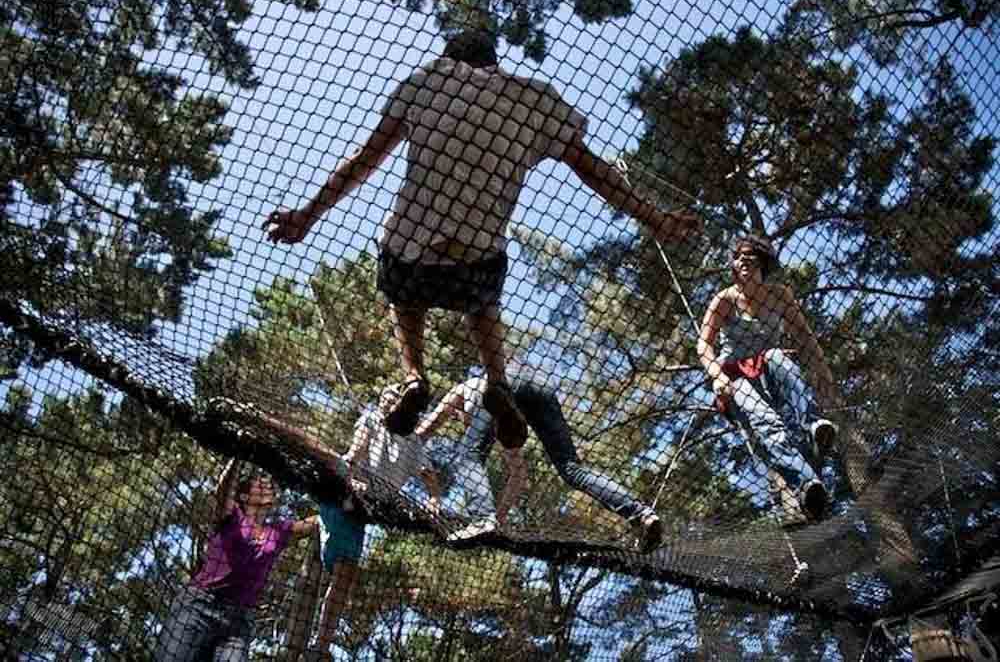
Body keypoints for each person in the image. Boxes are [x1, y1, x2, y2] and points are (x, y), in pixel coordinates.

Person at [263, 29, 701, 446]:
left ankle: (415, 375)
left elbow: (365, 159)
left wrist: (309, 215)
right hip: (477, 253)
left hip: (411, 245)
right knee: (483, 300)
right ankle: (497, 382)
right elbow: (593, 169)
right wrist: (653, 217)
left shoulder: (427, 81)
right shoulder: (535, 99)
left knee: (402, 293)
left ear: (449, 57)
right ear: (494, 61)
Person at [220, 391, 438, 660]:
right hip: (346, 483)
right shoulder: (372, 420)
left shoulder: (413, 441)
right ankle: (252, 417)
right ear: (381, 402)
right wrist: (353, 475)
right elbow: (356, 451)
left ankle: (320, 646)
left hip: (365, 511)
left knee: (346, 574)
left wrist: (434, 499)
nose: (392, 399)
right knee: (314, 447)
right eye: (387, 395)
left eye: (397, 396)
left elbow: (429, 477)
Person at [415, 364, 664, 553]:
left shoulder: (466, 389)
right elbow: (518, 475)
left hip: (503, 383)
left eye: (462, 420)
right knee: (572, 469)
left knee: (466, 454)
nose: (468, 425)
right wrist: (498, 520)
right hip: (540, 385)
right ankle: (642, 514)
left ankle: (480, 518)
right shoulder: (504, 430)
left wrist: (402, 434)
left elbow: (424, 430)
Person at [696, 235, 842, 523]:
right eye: (738, 256)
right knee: (769, 426)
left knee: (776, 356)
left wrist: (823, 372)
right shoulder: (724, 299)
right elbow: (703, 345)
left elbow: (804, 337)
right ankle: (807, 483)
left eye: (750, 254)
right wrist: (716, 376)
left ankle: (814, 425)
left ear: (763, 260)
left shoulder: (780, 295)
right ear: (733, 265)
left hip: (772, 370)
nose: (743, 259)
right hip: (737, 377)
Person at [153, 460, 318, 661]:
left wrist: (340, 500)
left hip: (238, 622)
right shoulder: (232, 516)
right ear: (244, 496)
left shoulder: (277, 531)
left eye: (268, 485)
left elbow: (316, 522)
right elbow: (223, 489)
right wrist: (237, 457)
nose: (267, 487)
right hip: (199, 607)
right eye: (259, 484)